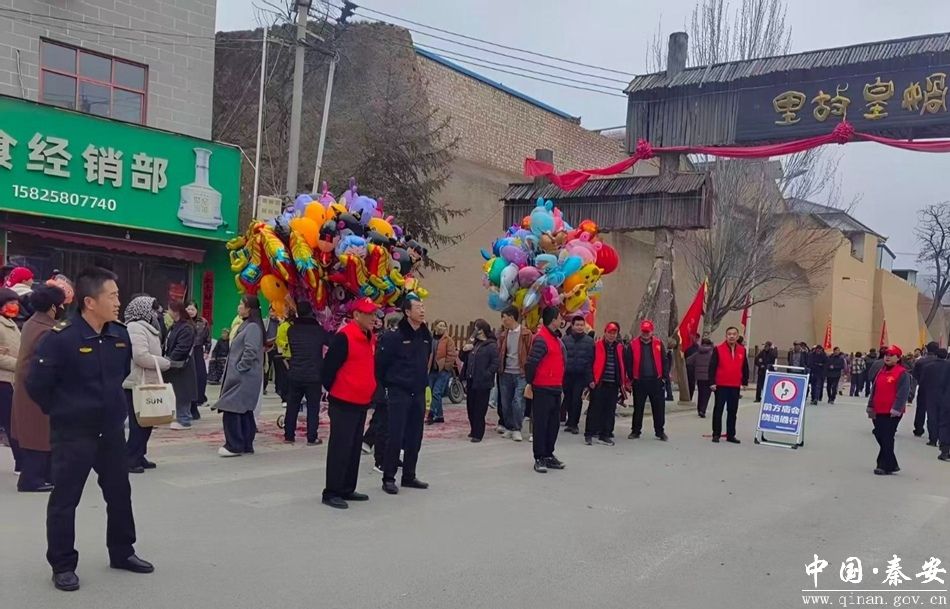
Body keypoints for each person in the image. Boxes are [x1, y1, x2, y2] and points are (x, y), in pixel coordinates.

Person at [26, 267, 152, 592]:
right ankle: (63, 565)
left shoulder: (119, 336)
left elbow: (119, 375)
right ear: (90, 302)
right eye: (113, 296)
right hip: (74, 433)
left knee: (119, 494)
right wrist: (62, 411)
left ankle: (122, 551)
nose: (118, 302)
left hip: (110, 431)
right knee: (65, 500)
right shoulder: (61, 339)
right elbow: (37, 384)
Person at [320, 297, 379, 509]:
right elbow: (328, 369)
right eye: (369, 314)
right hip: (343, 401)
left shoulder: (370, 337)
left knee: (354, 448)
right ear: (356, 315)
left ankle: (347, 488)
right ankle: (331, 491)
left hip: (361, 401)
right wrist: (337, 390)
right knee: (340, 447)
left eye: (374, 314)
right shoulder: (344, 337)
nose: (373, 318)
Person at [11, 285, 66, 492]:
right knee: (38, 435)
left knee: (37, 433)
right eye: (61, 304)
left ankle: (43, 476)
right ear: (53, 307)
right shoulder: (47, 330)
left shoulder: (32, 323)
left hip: (27, 387)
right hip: (37, 388)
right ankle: (31, 479)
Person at [377, 294, 431, 495]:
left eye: (423, 306)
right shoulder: (394, 337)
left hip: (418, 391)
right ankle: (389, 477)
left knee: (415, 436)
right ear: (407, 312)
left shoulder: (425, 335)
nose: (422, 310)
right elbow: (381, 365)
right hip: (399, 391)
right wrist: (389, 386)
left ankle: (409, 475)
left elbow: (426, 360)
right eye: (418, 307)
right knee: (395, 435)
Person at [122, 296, 171, 474]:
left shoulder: (148, 328)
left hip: (147, 381)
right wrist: (164, 363)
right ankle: (130, 458)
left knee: (148, 422)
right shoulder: (135, 327)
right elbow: (140, 356)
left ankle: (139, 454)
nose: (156, 314)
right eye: (153, 309)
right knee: (139, 424)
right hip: (136, 383)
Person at [214, 295, 265, 457]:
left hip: (244, 377)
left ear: (249, 308)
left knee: (232, 408)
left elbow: (250, 351)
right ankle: (245, 444)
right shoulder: (247, 325)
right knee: (243, 411)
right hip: (242, 376)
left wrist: (240, 368)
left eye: (241, 304)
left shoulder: (252, 327)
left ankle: (234, 445)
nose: (238, 307)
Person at [524, 306, 566, 473]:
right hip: (542, 388)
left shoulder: (555, 338)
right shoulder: (541, 339)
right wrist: (531, 383)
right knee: (541, 424)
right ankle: (539, 457)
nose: (562, 320)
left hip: (556, 386)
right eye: (560, 317)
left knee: (553, 424)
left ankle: (549, 454)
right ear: (553, 320)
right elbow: (531, 363)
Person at [283, 301, 327, 445]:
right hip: (314, 375)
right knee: (313, 408)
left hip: (295, 372)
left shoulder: (292, 330)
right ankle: (312, 437)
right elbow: (330, 341)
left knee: (292, 406)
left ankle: (289, 435)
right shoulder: (318, 331)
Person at [363, 313, 400, 472]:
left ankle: (392, 456)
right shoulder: (385, 340)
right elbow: (379, 365)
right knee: (383, 424)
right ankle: (380, 459)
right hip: (385, 387)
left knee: (394, 425)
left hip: (397, 388)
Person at [867, 345, 910, 475]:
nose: (888, 357)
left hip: (892, 411)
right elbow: (874, 389)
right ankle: (892, 463)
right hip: (878, 409)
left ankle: (883, 465)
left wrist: (897, 408)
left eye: (891, 355)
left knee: (887, 436)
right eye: (886, 355)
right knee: (878, 433)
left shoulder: (902, 373)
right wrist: (870, 405)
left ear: (898, 358)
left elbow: (903, 393)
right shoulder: (881, 371)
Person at [585, 322, 627, 446]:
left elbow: (624, 365)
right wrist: (590, 380)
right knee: (594, 409)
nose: (612, 335)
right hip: (599, 383)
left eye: (614, 333)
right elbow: (588, 364)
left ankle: (605, 434)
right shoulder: (596, 346)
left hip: (613, 384)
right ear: (605, 332)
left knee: (610, 411)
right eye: (610, 333)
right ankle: (589, 434)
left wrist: (624, 383)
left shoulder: (620, 348)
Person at [626, 319, 669, 441]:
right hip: (639, 381)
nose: (645, 334)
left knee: (659, 408)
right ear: (641, 331)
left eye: (647, 331)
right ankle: (635, 431)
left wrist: (664, 378)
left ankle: (660, 431)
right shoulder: (633, 344)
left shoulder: (658, 344)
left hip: (656, 381)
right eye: (644, 331)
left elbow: (665, 361)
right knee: (638, 408)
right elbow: (628, 362)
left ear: (652, 332)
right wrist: (631, 378)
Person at [459, 319, 499, 442]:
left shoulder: (491, 345)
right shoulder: (474, 344)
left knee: (480, 409)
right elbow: (462, 358)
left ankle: (478, 433)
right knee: (470, 407)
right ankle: (473, 429)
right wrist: (464, 349)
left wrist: (487, 373)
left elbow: (495, 363)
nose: (476, 332)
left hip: (483, 381)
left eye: (478, 330)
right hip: (471, 379)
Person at [708, 326, 749, 444]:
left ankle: (731, 435)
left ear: (737, 336)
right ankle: (716, 434)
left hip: (735, 385)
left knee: (732, 410)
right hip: (721, 384)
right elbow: (712, 366)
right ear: (726, 336)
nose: (731, 336)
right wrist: (712, 382)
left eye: (734, 334)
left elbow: (745, 367)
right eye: (729, 334)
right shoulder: (718, 349)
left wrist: (744, 382)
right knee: (718, 409)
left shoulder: (742, 350)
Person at [496, 306, 532, 440]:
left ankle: (517, 428)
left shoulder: (526, 334)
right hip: (505, 372)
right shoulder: (503, 335)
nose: (503, 321)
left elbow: (530, 352)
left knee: (518, 401)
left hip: (521, 373)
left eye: (504, 317)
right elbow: (500, 352)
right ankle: (509, 427)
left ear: (511, 317)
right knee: (505, 402)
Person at [164, 301, 197, 430]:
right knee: (177, 392)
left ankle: (184, 419)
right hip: (174, 367)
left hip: (182, 367)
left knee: (183, 392)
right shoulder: (175, 326)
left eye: (169, 310)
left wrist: (169, 359)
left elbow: (182, 348)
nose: (168, 312)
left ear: (176, 311)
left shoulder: (186, 327)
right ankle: (180, 417)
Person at [0, 288, 23, 474]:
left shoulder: (11, 323)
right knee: (11, 422)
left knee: (12, 422)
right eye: (11, 303)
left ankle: (21, 462)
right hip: (4, 380)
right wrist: (20, 364)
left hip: (11, 380)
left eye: (16, 303)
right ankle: (21, 462)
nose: (14, 306)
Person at [561, 315, 594, 434]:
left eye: (581, 325)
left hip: (581, 375)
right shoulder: (565, 340)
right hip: (567, 375)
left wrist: (590, 378)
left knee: (576, 399)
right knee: (568, 398)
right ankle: (570, 421)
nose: (579, 327)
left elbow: (591, 360)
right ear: (572, 326)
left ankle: (574, 424)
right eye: (577, 325)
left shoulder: (589, 341)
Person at [912, 342, 943, 446]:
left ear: (926, 349)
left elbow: (914, 374)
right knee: (934, 411)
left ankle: (918, 429)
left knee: (920, 409)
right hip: (938, 389)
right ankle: (934, 432)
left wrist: (921, 381)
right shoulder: (941, 362)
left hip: (923, 387)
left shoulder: (920, 361)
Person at [427, 319, 457, 425]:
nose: (442, 328)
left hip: (443, 370)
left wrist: (446, 367)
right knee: (430, 392)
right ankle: (439, 416)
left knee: (437, 392)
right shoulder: (431, 338)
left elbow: (452, 355)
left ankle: (432, 414)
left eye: (444, 326)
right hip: (432, 370)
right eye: (440, 325)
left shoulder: (448, 340)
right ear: (435, 326)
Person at [185, 301, 211, 420]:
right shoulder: (183, 321)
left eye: (192, 309)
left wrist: (207, 351)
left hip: (197, 351)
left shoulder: (203, 322)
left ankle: (196, 405)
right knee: (187, 379)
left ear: (196, 310)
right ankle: (187, 408)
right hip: (185, 351)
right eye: (188, 309)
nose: (190, 311)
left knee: (200, 378)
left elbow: (208, 338)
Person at [263, 309, 287, 402]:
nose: (272, 313)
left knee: (279, 370)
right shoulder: (265, 322)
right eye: (271, 311)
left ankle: (279, 389)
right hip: (268, 348)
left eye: (274, 311)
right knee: (266, 369)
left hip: (278, 349)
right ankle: (263, 387)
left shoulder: (281, 323)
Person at [688, 338, 715, 418]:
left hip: (699, 377)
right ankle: (702, 410)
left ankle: (699, 409)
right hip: (709, 377)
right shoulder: (712, 354)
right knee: (706, 394)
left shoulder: (697, 354)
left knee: (700, 393)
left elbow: (688, 361)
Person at [684, 332, 701, 400]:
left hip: (695, 369)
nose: (694, 339)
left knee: (692, 384)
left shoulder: (699, 349)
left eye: (696, 338)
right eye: (693, 337)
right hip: (688, 368)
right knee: (687, 383)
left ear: (698, 339)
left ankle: (690, 397)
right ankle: (687, 397)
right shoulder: (688, 348)